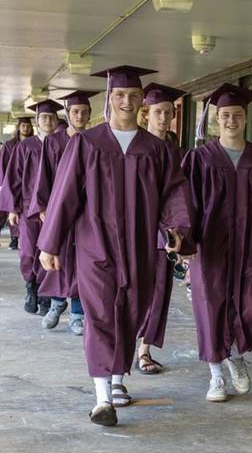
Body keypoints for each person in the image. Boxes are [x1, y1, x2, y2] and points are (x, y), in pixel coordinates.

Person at [38, 65, 192, 426]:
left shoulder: (156, 149)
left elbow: (174, 193)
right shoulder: (87, 142)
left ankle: (118, 379)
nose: (126, 100)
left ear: (140, 102)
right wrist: (51, 244)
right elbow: (64, 196)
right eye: (120, 95)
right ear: (109, 99)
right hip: (96, 245)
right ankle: (102, 398)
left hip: (140, 245)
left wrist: (177, 229)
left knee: (132, 311)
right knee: (100, 315)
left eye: (133, 96)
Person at [182, 82, 252, 403]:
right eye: (225, 115)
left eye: (237, 115)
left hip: (250, 248)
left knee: (248, 306)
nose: (231, 120)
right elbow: (185, 204)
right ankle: (216, 374)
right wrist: (185, 244)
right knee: (211, 306)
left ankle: (236, 356)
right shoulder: (199, 158)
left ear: (245, 118)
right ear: (216, 119)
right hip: (210, 248)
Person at [28, 90, 99, 335]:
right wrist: (44, 207)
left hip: (87, 212)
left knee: (82, 262)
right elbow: (43, 176)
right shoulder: (54, 142)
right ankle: (57, 305)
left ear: (90, 115)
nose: (80, 115)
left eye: (84, 112)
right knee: (58, 258)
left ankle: (78, 313)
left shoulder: (94, 141)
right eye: (75, 111)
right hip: (59, 210)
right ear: (67, 115)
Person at [133, 83, 186, 373]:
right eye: (159, 112)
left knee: (159, 292)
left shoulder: (175, 152)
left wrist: (178, 230)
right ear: (147, 114)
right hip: (134, 230)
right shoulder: (135, 148)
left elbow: (179, 196)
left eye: (168, 112)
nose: (164, 118)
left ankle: (144, 351)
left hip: (163, 232)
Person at [0, 100, 63, 316]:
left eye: (52, 117)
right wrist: (12, 208)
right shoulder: (25, 147)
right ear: (37, 121)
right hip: (28, 208)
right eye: (44, 117)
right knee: (28, 252)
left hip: (54, 210)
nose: (48, 121)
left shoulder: (63, 145)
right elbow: (14, 178)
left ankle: (45, 294)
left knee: (50, 250)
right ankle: (31, 288)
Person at [0, 116, 34, 250]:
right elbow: (3, 164)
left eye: (28, 126)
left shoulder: (35, 143)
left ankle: (26, 239)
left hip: (29, 183)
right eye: (23, 126)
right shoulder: (10, 145)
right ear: (18, 128)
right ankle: (14, 238)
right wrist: (1, 184)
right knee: (14, 208)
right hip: (14, 180)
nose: (26, 128)